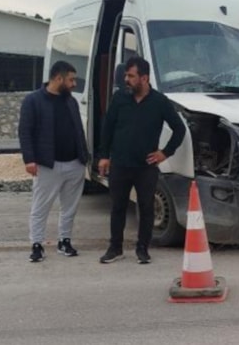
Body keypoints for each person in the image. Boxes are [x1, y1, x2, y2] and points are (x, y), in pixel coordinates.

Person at [98, 57, 186, 264]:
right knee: (117, 207)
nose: (126, 79)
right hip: (119, 163)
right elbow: (107, 128)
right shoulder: (119, 98)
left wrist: (165, 153)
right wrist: (103, 156)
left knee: (146, 207)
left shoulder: (159, 102)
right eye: (126, 75)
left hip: (146, 166)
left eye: (131, 76)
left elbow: (180, 129)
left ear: (144, 78)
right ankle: (115, 248)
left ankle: (143, 249)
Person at [18, 61, 89, 263]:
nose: (74, 84)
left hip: (74, 163)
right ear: (58, 78)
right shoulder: (33, 101)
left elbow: (78, 131)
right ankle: (37, 245)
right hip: (47, 165)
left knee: (70, 208)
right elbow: (25, 132)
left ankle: (64, 241)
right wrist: (29, 159)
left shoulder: (71, 101)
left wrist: (84, 158)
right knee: (41, 207)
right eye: (71, 79)